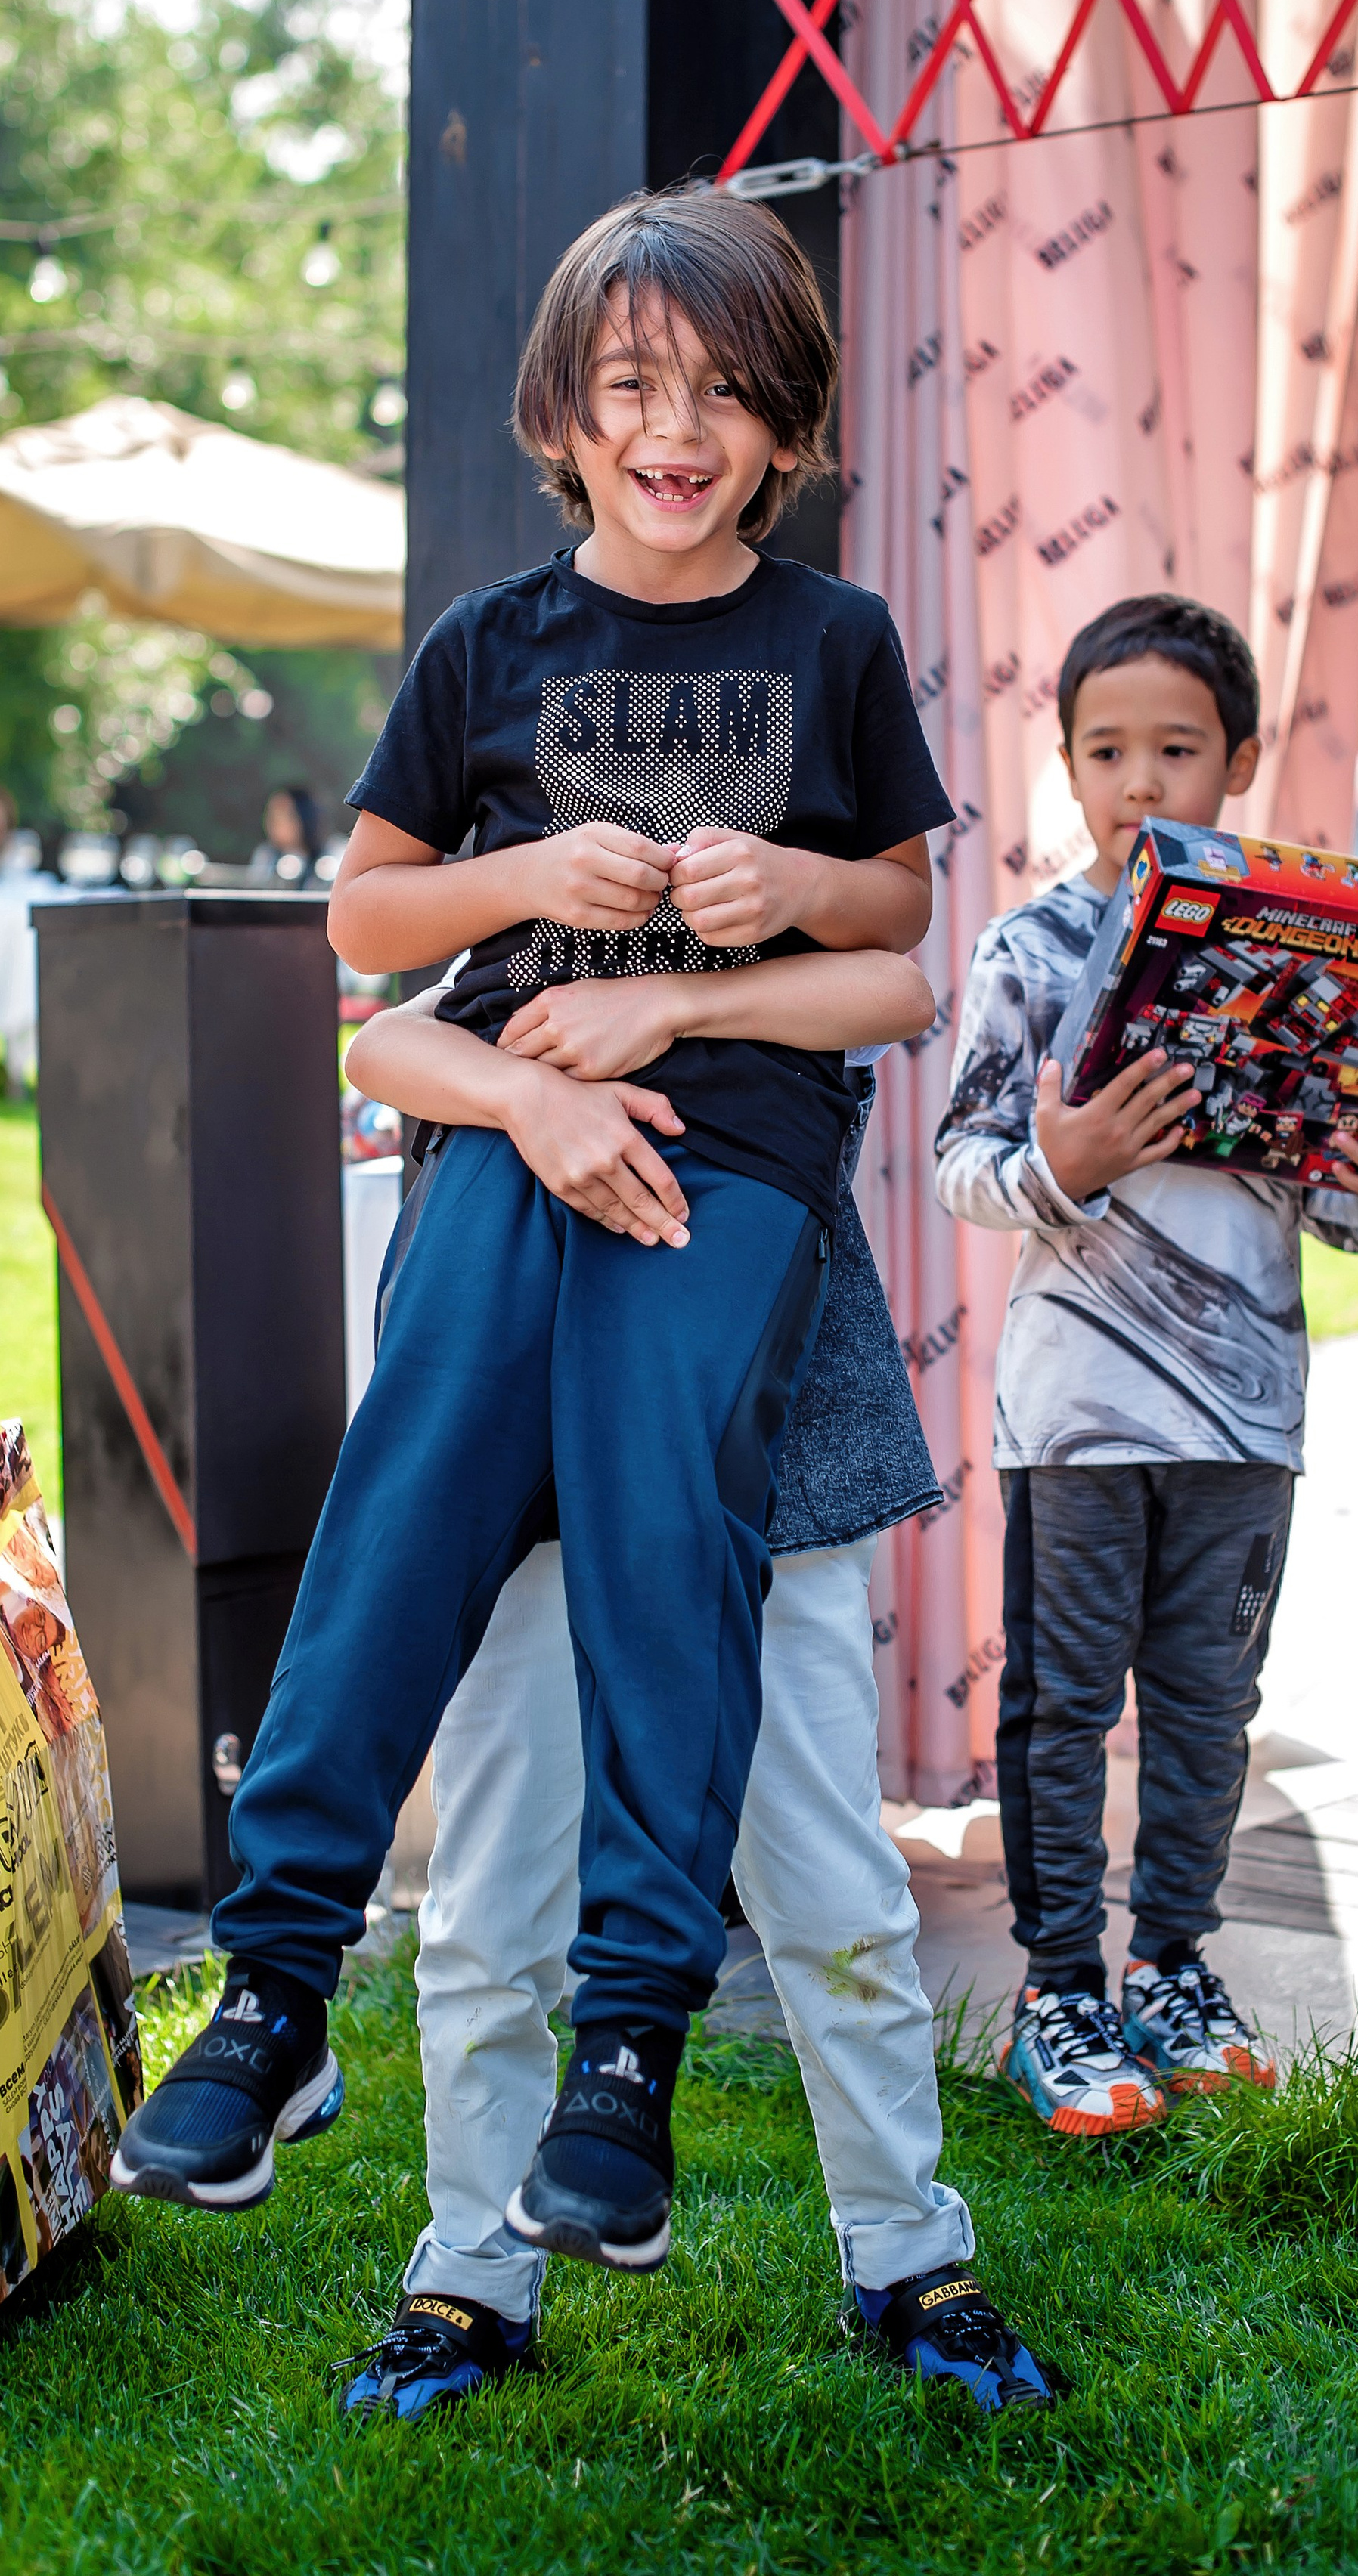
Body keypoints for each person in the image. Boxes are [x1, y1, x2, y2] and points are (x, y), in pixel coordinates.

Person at [112, 186, 953, 2273]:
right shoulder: (488, 643)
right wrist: (523, 912)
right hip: (509, 1127)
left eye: (725, 392)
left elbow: (896, 936)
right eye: (632, 385)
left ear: (787, 421)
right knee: (410, 1470)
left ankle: (633, 2035)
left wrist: (732, 942)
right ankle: (280, 1978)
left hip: (722, 1155)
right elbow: (369, 925)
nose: (676, 428)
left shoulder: (834, 639)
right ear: (564, 412)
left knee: (666, 1505)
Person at [324, 980, 1053, 2417]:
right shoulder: (522, 905)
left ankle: (908, 2251)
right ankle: (470, 2271)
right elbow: (386, 1037)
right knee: (491, 1897)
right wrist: (527, 1093)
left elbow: (886, 978)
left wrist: (671, 1003)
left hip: (767, 1454)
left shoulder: (786, 894)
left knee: (831, 1890)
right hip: (521, 1447)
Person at [935, 595, 1358, 2138]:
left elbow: (1342, 1206)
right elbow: (962, 1163)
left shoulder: (1301, 954)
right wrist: (1066, 1159)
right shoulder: (1030, 948)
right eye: (1105, 751)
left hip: (1244, 1418)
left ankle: (1172, 1964)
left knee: (1210, 1703)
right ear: (1065, 764)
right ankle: (1058, 1991)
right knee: (1061, 1705)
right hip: (1076, 1420)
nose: (1140, 780)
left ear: (1237, 759)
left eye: (1174, 748)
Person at [251, 784, 324, 884]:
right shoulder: (265, 856)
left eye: (281, 816)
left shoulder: (332, 854)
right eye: (271, 817)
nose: (272, 824)